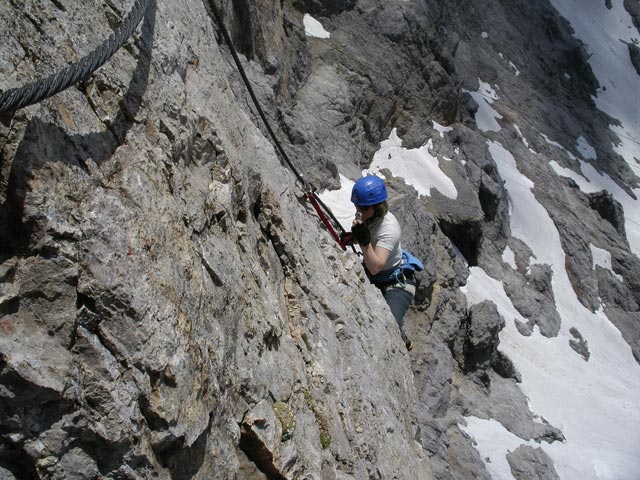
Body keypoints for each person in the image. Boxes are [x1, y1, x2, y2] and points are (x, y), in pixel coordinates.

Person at [347, 175, 416, 351]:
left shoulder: (389, 228)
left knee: (391, 324)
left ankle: (404, 343)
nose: (358, 210)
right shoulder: (369, 218)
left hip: (398, 282)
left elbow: (375, 266)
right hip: (378, 277)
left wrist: (363, 241)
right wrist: (352, 237)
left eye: (363, 207)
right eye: (357, 206)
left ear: (377, 207)